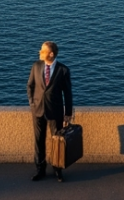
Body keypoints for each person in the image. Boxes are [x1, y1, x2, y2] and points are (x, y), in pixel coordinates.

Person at [27, 41, 72, 182]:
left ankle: (57, 170)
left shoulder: (63, 70)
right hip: (38, 110)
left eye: (42, 50)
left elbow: (68, 93)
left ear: (51, 54)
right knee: (38, 141)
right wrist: (32, 104)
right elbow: (30, 86)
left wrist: (68, 113)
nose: (39, 52)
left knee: (56, 142)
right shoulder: (36, 66)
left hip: (55, 112)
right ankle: (40, 169)